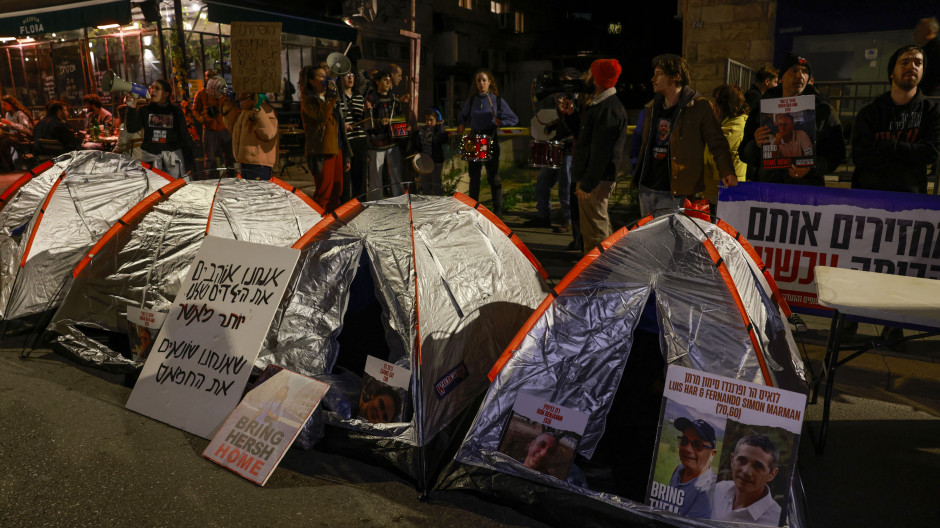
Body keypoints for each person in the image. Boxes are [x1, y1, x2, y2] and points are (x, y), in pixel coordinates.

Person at [633, 54, 736, 217]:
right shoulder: (654, 107)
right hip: (647, 188)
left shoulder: (699, 106)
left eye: (659, 73)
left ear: (676, 76)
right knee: (648, 240)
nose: (653, 78)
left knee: (669, 240)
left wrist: (727, 171)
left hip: (674, 191)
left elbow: (717, 142)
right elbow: (645, 143)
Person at [740, 53, 845, 187]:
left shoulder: (823, 111)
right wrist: (755, 144)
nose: (800, 75)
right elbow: (744, 155)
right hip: (767, 190)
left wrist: (812, 169)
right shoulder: (761, 111)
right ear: (781, 78)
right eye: (794, 70)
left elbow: (836, 154)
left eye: (805, 72)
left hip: (805, 190)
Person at [853, 45, 940, 194]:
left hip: (910, 199)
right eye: (904, 62)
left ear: (922, 72)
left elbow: (933, 152)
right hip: (868, 197)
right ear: (892, 72)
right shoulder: (870, 113)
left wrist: (890, 147)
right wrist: (911, 154)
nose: (912, 66)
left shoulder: (931, 111)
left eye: (918, 63)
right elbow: (861, 156)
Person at [570, 59, 628, 252]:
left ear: (597, 79)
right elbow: (585, 139)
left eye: (589, 74)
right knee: (598, 228)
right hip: (593, 178)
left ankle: (597, 276)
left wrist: (588, 183)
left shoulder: (608, 108)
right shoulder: (601, 105)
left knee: (595, 234)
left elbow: (601, 151)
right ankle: (603, 272)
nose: (585, 77)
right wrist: (570, 116)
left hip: (595, 181)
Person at [456, 69, 519, 216]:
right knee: (474, 178)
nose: (481, 83)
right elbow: (462, 116)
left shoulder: (497, 100)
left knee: (493, 177)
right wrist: (461, 123)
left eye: (484, 80)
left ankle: (498, 212)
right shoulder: (471, 101)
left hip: (490, 139)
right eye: (479, 80)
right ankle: (473, 210)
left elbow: (514, 119)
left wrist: (501, 122)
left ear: (490, 82)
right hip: (473, 140)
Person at [300, 65, 351, 212]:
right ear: (311, 81)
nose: (325, 79)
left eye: (325, 75)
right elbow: (322, 116)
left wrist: (346, 154)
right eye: (321, 76)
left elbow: (340, 128)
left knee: (337, 191)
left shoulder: (331, 99)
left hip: (337, 149)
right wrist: (331, 97)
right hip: (323, 150)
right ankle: (320, 225)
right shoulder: (309, 101)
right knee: (324, 193)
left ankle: (332, 224)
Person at [527, 90, 579, 232]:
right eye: (557, 97)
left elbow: (578, 127)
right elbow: (562, 122)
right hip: (557, 150)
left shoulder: (576, 109)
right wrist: (551, 127)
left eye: (561, 97)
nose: (558, 100)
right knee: (543, 183)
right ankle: (543, 217)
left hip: (568, 152)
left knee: (565, 187)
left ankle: (569, 220)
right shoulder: (561, 111)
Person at [125, 78, 195, 179]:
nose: (153, 91)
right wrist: (131, 108)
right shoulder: (144, 110)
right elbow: (132, 128)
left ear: (166, 93)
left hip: (172, 160)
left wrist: (189, 161)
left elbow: (184, 136)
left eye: (157, 88)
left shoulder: (175, 111)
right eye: (151, 88)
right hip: (150, 159)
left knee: (174, 189)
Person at [711, 434, 782, 526]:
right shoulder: (718, 490)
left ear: (772, 474)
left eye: (758, 466)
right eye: (742, 460)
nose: (746, 471)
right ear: (732, 460)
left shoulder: (777, 521)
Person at [704, 84, 750, 205]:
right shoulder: (730, 124)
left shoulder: (735, 127)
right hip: (719, 189)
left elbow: (711, 150)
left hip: (727, 191)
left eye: (716, 104)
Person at [364, 70, 404, 200]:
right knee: (375, 173)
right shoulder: (371, 99)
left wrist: (402, 125)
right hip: (376, 143)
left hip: (392, 141)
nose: (388, 82)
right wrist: (379, 121)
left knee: (396, 172)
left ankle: (399, 198)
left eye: (389, 80)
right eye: (384, 79)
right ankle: (375, 200)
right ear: (377, 82)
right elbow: (367, 122)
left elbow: (399, 117)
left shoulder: (394, 98)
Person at [667, 417, 718, 518]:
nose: (687, 449)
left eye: (697, 445)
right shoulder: (679, 470)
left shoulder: (709, 491)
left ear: (712, 454)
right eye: (684, 441)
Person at [221, 92, 279, 180]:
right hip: (245, 161)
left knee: (257, 193)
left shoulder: (266, 109)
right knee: (250, 193)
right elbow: (234, 130)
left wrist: (259, 112)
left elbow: (268, 133)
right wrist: (228, 111)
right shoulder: (244, 112)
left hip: (259, 164)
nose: (239, 95)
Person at [194, 76, 235, 177]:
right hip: (209, 129)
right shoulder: (201, 93)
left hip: (224, 128)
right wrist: (200, 118)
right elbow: (195, 109)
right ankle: (210, 176)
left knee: (229, 155)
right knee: (209, 157)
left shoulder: (223, 92)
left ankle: (230, 174)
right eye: (208, 76)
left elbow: (231, 106)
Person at [339, 71, 368, 200]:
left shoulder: (359, 98)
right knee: (345, 177)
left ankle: (360, 206)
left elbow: (364, 121)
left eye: (352, 74)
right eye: (346, 75)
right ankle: (344, 207)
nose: (350, 77)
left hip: (360, 139)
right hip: (346, 141)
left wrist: (367, 111)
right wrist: (342, 123)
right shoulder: (337, 98)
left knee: (361, 177)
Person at [409, 108, 449, 195]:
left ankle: (440, 204)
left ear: (437, 120)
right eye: (427, 120)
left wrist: (440, 126)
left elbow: (443, 139)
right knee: (425, 185)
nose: (429, 122)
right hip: (424, 162)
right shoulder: (422, 130)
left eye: (431, 120)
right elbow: (415, 141)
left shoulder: (438, 130)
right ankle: (427, 205)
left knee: (436, 185)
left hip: (436, 162)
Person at [1, 95, 34, 172]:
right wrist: (3, 125)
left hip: (24, 136)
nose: (3, 106)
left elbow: (25, 128)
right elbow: (10, 127)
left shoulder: (20, 114)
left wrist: (10, 123)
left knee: (4, 142)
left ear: (11, 104)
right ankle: (5, 166)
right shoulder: (8, 114)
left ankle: (7, 167)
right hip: (14, 136)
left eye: (5, 104)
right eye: (2, 104)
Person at [914, 17, 940, 96]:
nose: (914, 34)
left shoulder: (934, 50)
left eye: (919, 31)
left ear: (929, 32)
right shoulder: (926, 49)